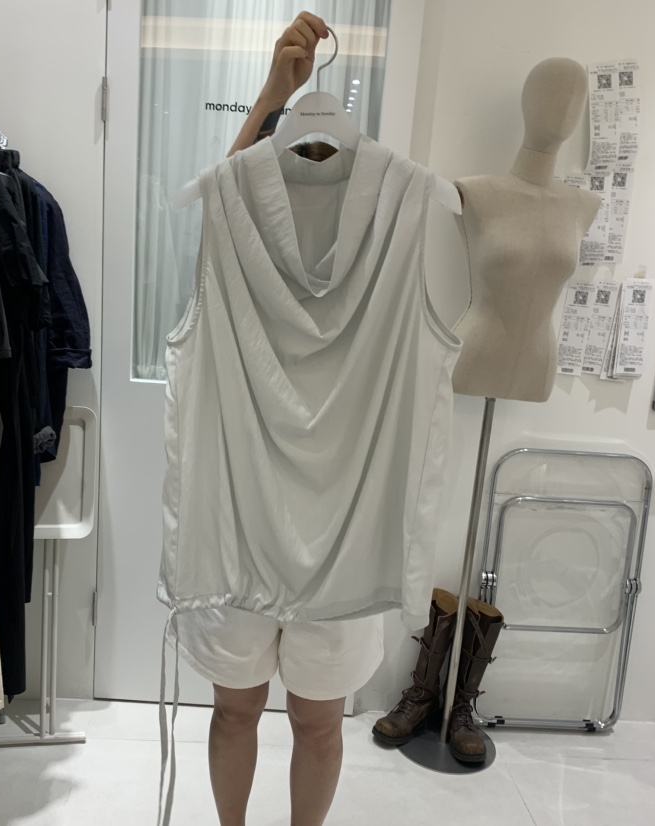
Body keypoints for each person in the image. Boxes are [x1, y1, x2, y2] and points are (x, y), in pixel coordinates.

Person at [170, 13, 386, 826]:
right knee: (235, 710)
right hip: (240, 510)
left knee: (320, 720)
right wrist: (273, 95)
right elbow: (220, 202)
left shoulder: (391, 217)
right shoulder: (240, 218)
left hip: (344, 519)